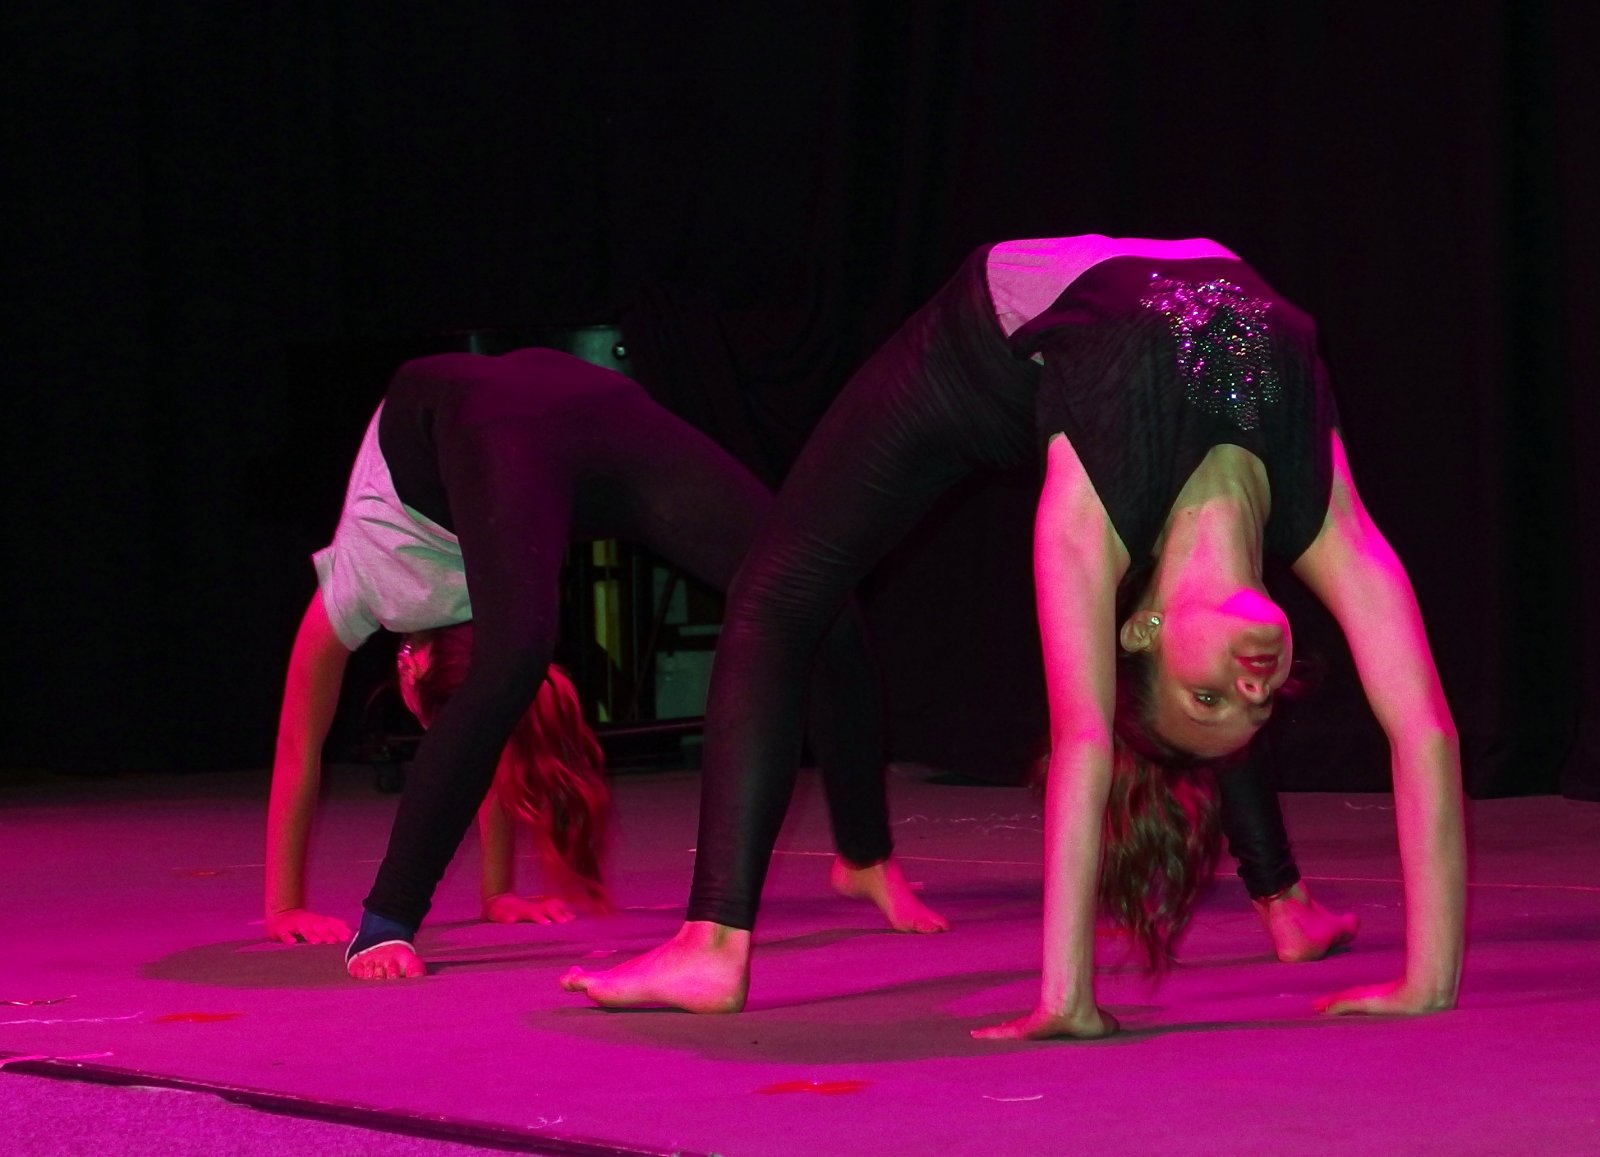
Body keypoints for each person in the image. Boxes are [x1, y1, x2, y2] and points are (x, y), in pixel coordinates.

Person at [562, 237, 1406, 1018]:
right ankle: (1283, 899)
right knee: (1203, 639)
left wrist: (1065, 1001)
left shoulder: (1243, 426)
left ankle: (713, 942)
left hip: (1011, 363)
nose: (1258, 684)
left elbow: (1111, 722)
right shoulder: (1274, 435)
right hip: (1048, 371)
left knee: (777, 594)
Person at [266, 347, 945, 981]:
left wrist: (286, 906)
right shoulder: (486, 586)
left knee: (516, 662)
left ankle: (387, 919)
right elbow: (485, 732)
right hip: (577, 401)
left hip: (480, 418)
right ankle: (864, 855)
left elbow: (303, 745)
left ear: (411, 666)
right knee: (812, 590)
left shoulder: (359, 587)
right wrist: (497, 894)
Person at [266, 625, 609, 948]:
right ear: (409, 669)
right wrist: (285, 909)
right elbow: (297, 744)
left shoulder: (506, 620)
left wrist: (498, 893)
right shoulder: (349, 597)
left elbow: (488, 743)